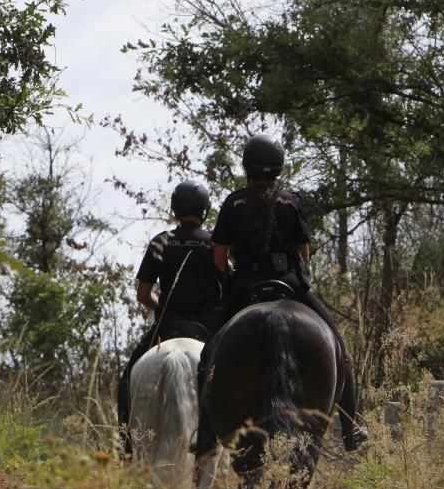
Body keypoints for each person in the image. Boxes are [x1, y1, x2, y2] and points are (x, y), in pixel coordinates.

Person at [195, 134, 369, 455]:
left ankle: (205, 433)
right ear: (278, 168)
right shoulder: (291, 201)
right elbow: (304, 253)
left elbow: (219, 259)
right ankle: (350, 424)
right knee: (339, 346)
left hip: (245, 287)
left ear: (246, 168)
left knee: (208, 355)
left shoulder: (232, 203)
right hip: (290, 284)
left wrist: (235, 272)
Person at [117, 180, 223, 454]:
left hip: (167, 328)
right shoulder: (214, 243)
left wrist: (160, 307)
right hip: (209, 332)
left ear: (175, 209)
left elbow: (143, 294)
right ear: (204, 210)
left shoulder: (160, 242)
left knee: (126, 379)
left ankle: (127, 447)